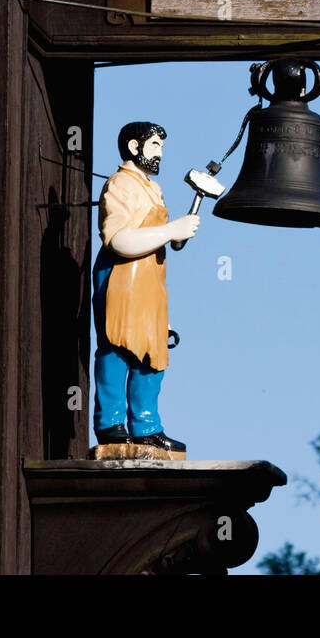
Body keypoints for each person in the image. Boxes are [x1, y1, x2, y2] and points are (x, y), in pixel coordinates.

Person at [90, 120, 200, 453]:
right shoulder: (121, 185)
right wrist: (171, 230)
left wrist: (177, 231)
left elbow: (164, 241)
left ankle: (147, 426)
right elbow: (119, 240)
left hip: (150, 282)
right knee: (118, 348)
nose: (160, 154)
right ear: (134, 147)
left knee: (152, 355)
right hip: (122, 279)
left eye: (161, 148)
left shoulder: (152, 187)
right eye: (154, 146)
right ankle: (110, 423)